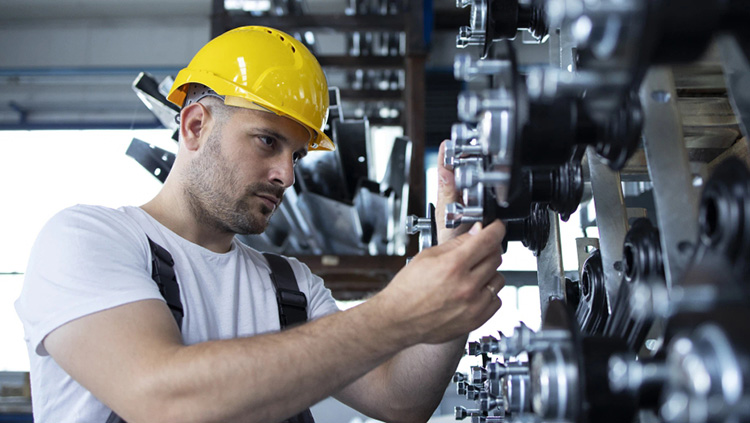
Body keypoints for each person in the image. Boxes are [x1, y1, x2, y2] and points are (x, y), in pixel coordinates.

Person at [15, 26, 506, 423]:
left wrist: (452, 256)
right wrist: (395, 313)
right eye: (267, 142)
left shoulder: (289, 286)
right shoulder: (87, 240)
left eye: (296, 154)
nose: (287, 175)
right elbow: (163, 402)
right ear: (195, 126)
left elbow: (401, 401)